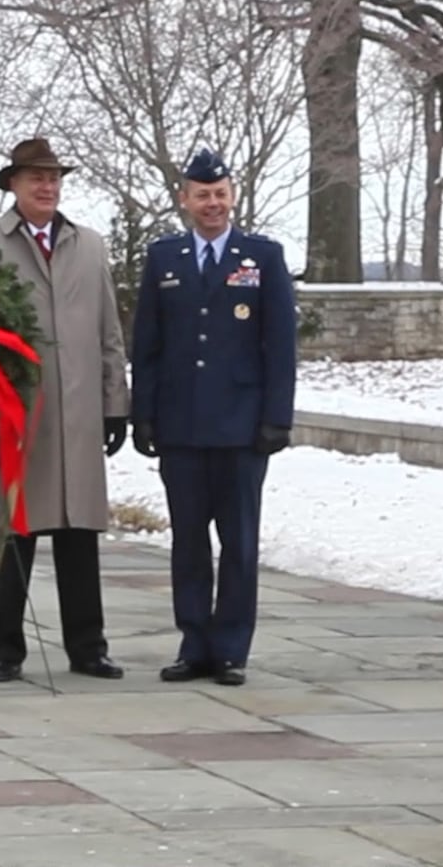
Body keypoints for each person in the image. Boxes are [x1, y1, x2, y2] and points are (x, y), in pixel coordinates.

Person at [0, 137, 129, 684]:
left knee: (80, 534)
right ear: (12, 183)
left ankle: (88, 647)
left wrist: (114, 405)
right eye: (35, 176)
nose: (47, 185)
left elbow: (109, 332)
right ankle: (5, 649)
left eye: (54, 176)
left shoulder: (89, 246)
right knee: (12, 531)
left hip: (78, 412)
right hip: (15, 418)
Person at [130, 148, 296, 688]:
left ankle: (230, 650)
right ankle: (194, 644)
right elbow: (148, 344)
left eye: (220, 193)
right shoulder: (164, 258)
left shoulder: (261, 257)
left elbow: (280, 346)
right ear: (184, 199)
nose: (212, 203)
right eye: (202, 194)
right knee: (188, 542)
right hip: (180, 426)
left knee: (240, 542)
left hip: (242, 427)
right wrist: (144, 416)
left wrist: (276, 418)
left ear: (233, 196)